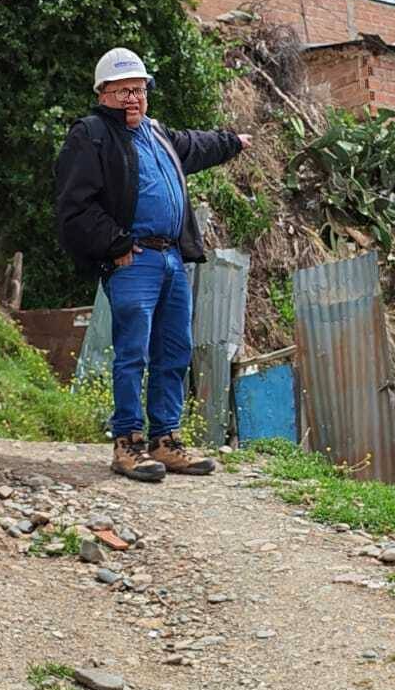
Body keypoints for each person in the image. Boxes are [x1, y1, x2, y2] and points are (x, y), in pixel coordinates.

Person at [55, 48, 251, 483]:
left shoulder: (156, 133)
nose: (133, 98)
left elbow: (196, 146)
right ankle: (127, 443)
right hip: (134, 259)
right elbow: (74, 206)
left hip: (170, 258)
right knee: (133, 353)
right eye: (123, 90)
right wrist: (116, 243)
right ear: (102, 93)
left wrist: (232, 142)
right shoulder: (90, 135)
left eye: (139, 89)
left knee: (175, 350)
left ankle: (166, 439)